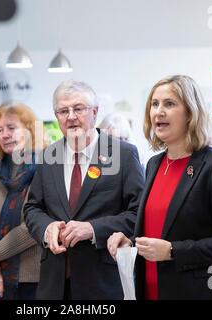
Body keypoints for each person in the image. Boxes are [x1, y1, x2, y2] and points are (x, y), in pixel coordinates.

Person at [107, 75, 212, 300]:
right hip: (153, 291)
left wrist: (173, 251)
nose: (158, 111)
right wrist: (131, 243)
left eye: (169, 104)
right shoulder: (154, 164)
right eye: (154, 104)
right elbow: (159, 228)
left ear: (191, 113)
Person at [24, 80, 145, 300]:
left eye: (78, 109)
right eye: (63, 111)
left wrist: (92, 228)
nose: (70, 116)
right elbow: (32, 208)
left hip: (102, 283)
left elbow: (139, 214)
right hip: (54, 284)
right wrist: (46, 227)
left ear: (95, 112)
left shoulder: (124, 154)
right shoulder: (47, 157)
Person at [0, 103, 43, 300]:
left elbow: (35, 224)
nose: (5, 135)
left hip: (34, 281)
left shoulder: (45, 169)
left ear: (29, 130)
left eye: (11, 128)